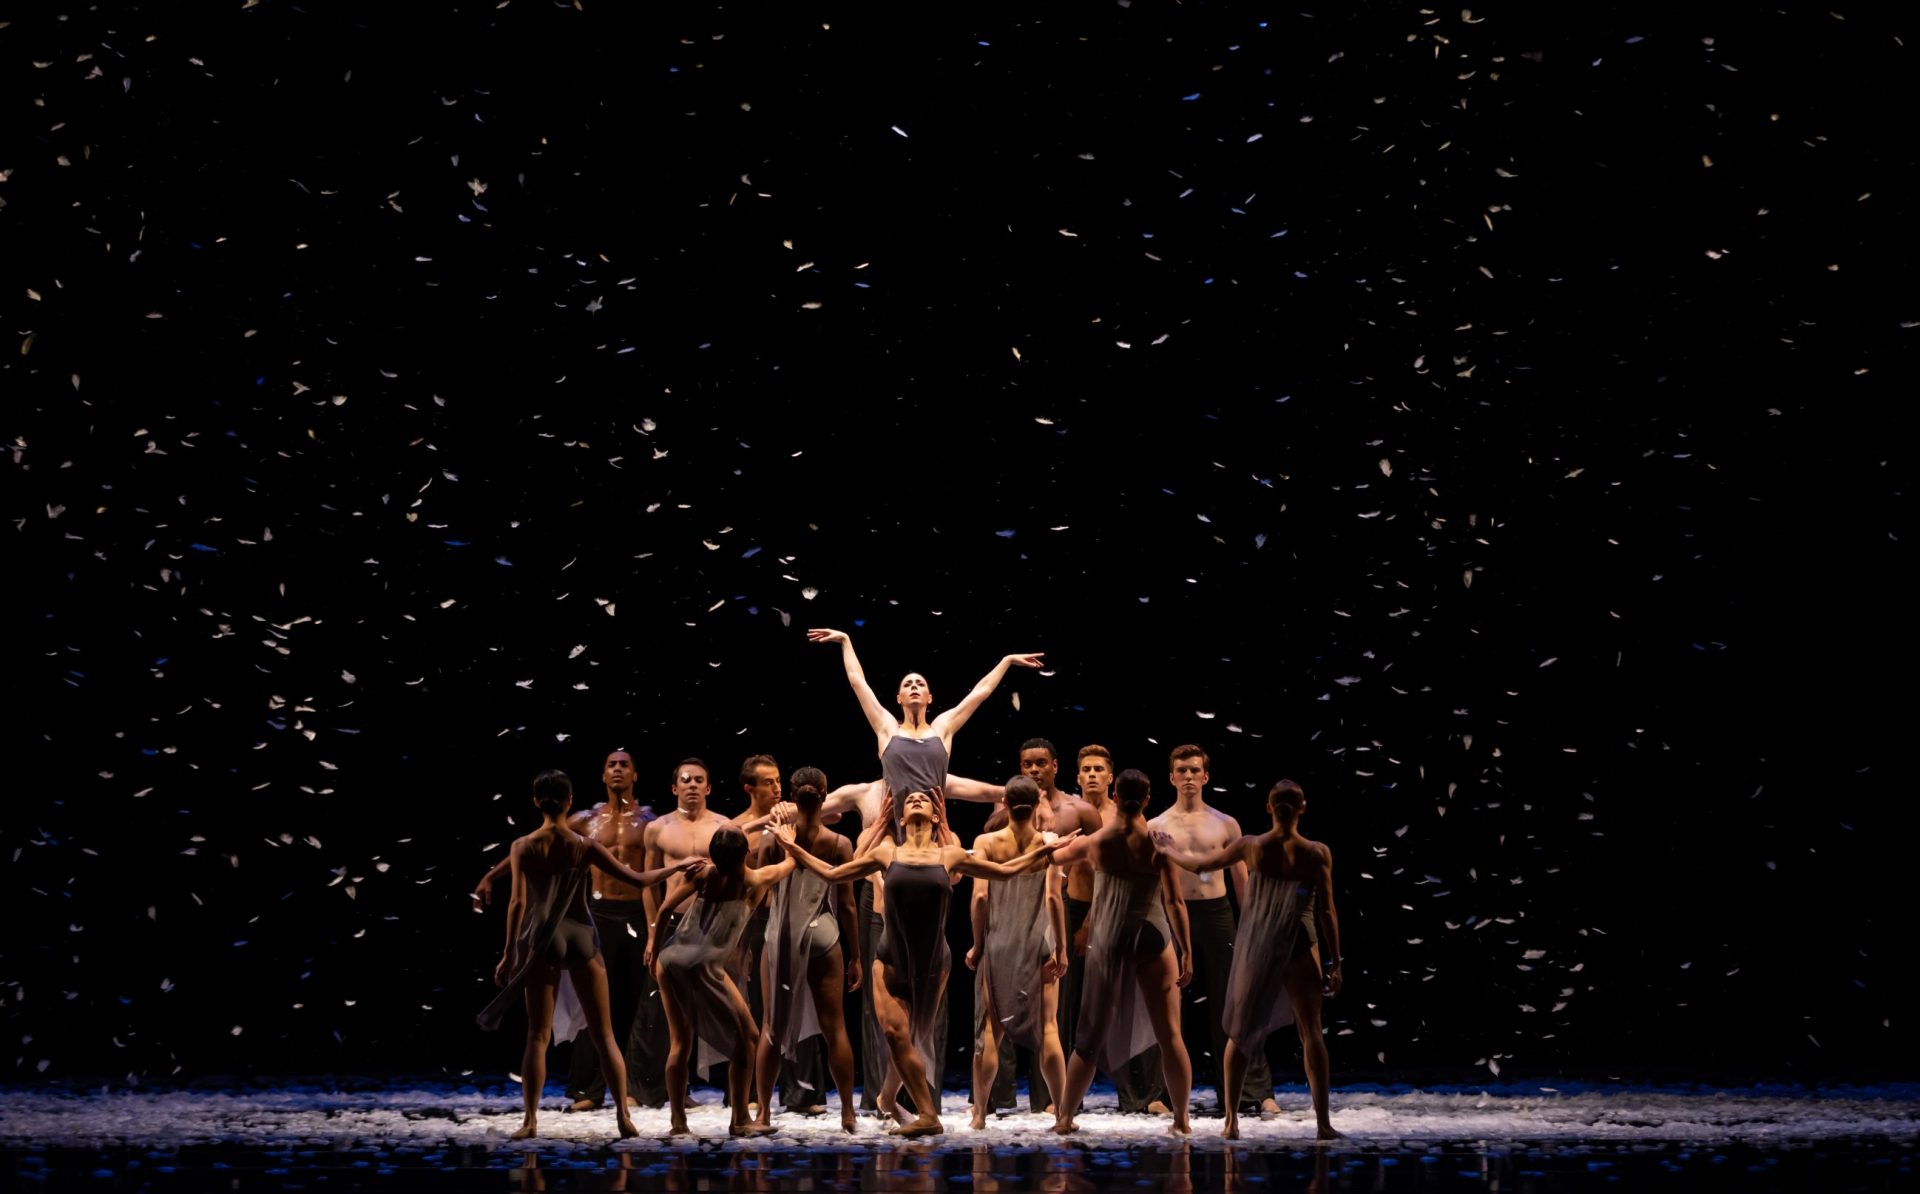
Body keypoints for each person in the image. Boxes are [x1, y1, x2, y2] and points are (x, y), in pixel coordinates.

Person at [774, 788, 1077, 1138]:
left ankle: (887, 1097)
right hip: (890, 958)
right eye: (910, 800)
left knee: (913, 1037)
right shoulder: (888, 851)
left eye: (925, 800)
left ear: (936, 816)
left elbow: (1005, 871)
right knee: (894, 1032)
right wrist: (793, 849)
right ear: (901, 817)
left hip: (934, 962)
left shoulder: (949, 855)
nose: (917, 800)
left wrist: (1047, 851)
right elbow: (832, 874)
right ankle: (928, 1114)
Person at [477, 769, 703, 1140]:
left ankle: (530, 1121)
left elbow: (517, 903)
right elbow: (640, 880)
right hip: (581, 935)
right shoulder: (584, 844)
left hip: (542, 938)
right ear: (569, 802)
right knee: (604, 1033)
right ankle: (623, 1118)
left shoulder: (523, 846)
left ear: (537, 802)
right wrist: (677, 866)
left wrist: (510, 952)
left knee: (537, 1035)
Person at [1158, 780, 1344, 1140]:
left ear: (1269, 808)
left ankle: (1231, 1122)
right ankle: (1322, 1123)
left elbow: (1200, 866)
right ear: (1302, 808)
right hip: (1300, 944)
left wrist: (1170, 854)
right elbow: (1327, 911)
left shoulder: (1252, 846)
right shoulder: (1316, 852)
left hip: (1262, 943)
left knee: (1240, 1033)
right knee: (1310, 1032)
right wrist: (1336, 961)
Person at [1042, 769, 1196, 1138]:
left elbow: (1052, 859)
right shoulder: (1159, 842)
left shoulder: (1098, 841)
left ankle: (1064, 1118)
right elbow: (1175, 902)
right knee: (1170, 1034)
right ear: (1145, 800)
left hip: (1111, 935)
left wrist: (1054, 843)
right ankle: (1182, 1120)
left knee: (1089, 1038)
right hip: (1153, 934)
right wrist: (1187, 950)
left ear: (1117, 794)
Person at [1148, 745, 1279, 1116]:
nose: (1188, 777)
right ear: (1171, 777)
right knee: (1167, 1004)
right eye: (1181, 771)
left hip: (1217, 912)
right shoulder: (1156, 826)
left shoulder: (1226, 824)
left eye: (1194, 771)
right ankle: (1165, 1093)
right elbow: (1148, 883)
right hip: (1173, 912)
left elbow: (1242, 881)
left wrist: (1254, 927)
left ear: (1205, 777)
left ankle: (1252, 1090)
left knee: (1235, 1003)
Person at [647, 823, 796, 1137]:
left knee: (680, 1042)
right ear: (748, 852)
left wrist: (654, 949)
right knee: (749, 1038)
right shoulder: (755, 878)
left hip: (671, 958)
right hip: (703, 967)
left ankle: (678, 1123)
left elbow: (663, 910)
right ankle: (740, 1119)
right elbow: (790, 863)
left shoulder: (703, 875)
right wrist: (789, 840)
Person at [748, 767, 861, 1134]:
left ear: (791, 797)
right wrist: (856, 954)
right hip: (823, 934)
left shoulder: (772, 841)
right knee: (835, 1028)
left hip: (782, 933)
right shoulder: (839, 843)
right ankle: (847, 1112)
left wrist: (743, 943)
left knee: (771, 1028)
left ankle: (763, 1113)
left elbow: (757, 896)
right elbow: (846, 905)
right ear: (825, 796)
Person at [966, 776, 1070, 1128]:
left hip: (999, 943)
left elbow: (980, 897)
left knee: (991, 1030)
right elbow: (1055, 898)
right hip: (1039, 942)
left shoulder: (986, 842)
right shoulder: (1048, 843)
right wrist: (1063, 947)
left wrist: (978, 944)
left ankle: (980, 1114)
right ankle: (1063, 1113)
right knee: (1049, 1029)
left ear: (1006, 804)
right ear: (1037, 805)